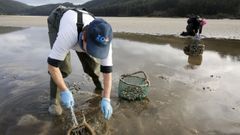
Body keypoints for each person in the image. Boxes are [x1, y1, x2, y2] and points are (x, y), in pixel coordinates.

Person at [47, 6, 113, 120]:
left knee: (93, 67)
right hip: (58, 20)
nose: (95, 53)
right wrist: (65, 90)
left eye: (98, 50)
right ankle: (54, 100)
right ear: (83, 38)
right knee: (63, 68)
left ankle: (99, 87)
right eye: (93, 49)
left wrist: (106, 99)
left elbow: (107, 72)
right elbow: (52, 66)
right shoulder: (68, 34)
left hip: (82, 22)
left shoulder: (105, 40)